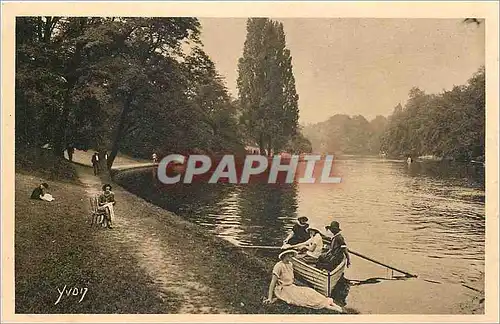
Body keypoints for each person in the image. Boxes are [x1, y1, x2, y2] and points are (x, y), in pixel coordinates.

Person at [263, 249, 344, 313]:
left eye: (292, 254)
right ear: (284, 255)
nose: (291, 256)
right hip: (284, 290)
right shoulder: (278, 266)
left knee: (309, 291)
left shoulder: (290, 264)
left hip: (291, 287)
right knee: (306, 299)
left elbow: (291, 279)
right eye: (289, 254)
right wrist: (270, 298)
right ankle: (335, 308)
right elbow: (272, 283)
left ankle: (333, 304)